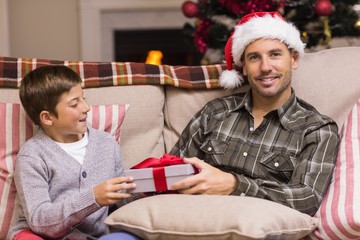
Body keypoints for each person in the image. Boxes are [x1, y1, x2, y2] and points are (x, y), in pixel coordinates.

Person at [169, 11, 340, 216]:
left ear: (293, 60)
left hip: (262, 226)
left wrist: (234, 185)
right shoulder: (215, 112)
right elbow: (171, 171)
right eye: (254, 57)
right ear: (244, 68)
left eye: (275, 54)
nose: (265, 67)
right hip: (199, 218)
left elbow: (307, 198)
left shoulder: (317, 128)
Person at [8, 65, 138, 239]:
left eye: (84, 99)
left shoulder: (106, 143)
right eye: (75, 104)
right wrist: (93, 198)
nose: (86, 108)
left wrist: (147, 189)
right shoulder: (32, 156)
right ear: (47, 117)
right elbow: (39, 220)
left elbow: (122, 198)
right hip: (41, 234)